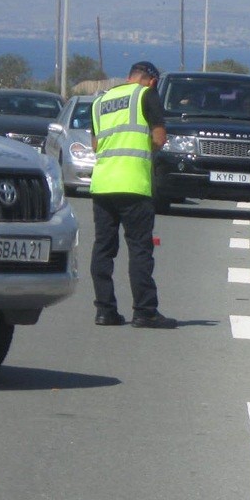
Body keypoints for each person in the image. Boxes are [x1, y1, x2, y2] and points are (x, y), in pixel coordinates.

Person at [89, 61, 176, 329]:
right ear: (151, 80)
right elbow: (160, 139)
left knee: (103, 248)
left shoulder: (99, 102)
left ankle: (105, 311)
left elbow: (95, 145)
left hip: (102, 184)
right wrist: (144, 149)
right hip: (133, 184)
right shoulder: (146, 95)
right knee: (139, 249)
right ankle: (145, 311)